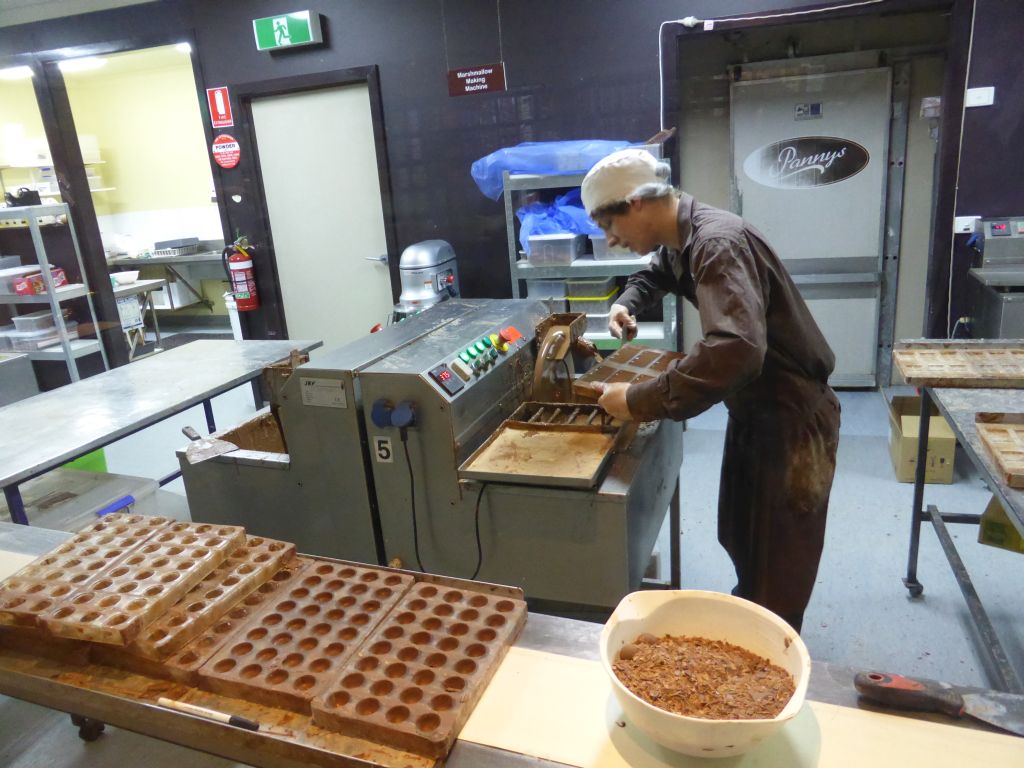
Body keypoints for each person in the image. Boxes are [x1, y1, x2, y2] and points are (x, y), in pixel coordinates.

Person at [581, 148, 840, 633]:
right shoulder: (684, 237)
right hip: (756, 413)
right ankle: (751, 623)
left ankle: (769, 665)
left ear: (636, 202)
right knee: (745, 537)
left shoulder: (717, 243)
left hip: (792, 422)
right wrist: (627, 303)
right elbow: (656, 272)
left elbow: (737, 349)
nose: (610, 240)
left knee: (780, 562)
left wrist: (637, 400)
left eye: (609, 226)